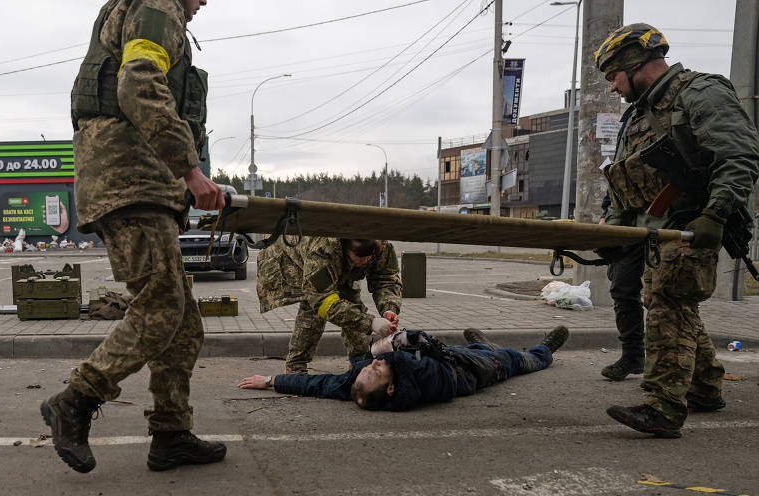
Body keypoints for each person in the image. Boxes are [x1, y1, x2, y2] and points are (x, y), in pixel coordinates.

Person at [40, 0, 227, 473]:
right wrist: (190, 170)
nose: (207, 1)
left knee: (182, 320)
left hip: (138, 180)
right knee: (163, 302)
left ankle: (171, 433)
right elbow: (138, 82)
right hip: (131, 179)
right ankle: (76, 399)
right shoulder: (156, 4)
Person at [595, 23, 759, 438]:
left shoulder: (700, 93)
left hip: (693, 225)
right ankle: (705, 387)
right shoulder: (640, 113)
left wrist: (716, 214)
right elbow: (626, 180)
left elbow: (739, 155)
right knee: (674, 301)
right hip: (656, 232)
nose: (613, 87)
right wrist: (614, 233)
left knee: (669, 302)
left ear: (634, 65)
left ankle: (663, 406)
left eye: (613, 76)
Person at [237, 326, 569, 411]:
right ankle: (545, 351)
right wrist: (388, 345)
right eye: (376, 370)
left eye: (371, 369)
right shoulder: (420, 384)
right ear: (391, 387)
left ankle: (482, 342)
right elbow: (422, 343)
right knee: (514, 359)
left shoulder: (360, 387)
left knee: (472, 347)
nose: (375, 366)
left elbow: (319, 384)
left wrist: (270, 380)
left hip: (449, 354)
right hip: (473, 370)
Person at [256, 237, 402, 374]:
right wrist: (371, 323)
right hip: (295, 258)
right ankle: (296, 369)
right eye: (360, 255)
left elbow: (386, 279)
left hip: (339, 264)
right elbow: (323, 302)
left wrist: (389, 308)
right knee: (313, 313)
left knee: (352, 305)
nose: (365, 261)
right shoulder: (321, 250)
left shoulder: (382, 246)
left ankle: (359, 361)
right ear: (345, 246)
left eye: (369, 255)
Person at [598, 193, 646, 382]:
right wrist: (605, 217)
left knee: (666, 297)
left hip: (666, 223)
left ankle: (688, 368)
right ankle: (633, 357)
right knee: (622, 289)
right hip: (625, 227)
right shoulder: (618, 161)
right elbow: (614, 184)